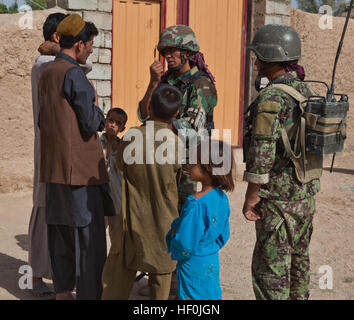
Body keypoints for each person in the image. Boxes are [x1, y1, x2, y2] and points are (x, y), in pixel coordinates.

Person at [38, 14, 115, 300]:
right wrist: (98, 109)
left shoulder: (46, 72)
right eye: (91, 44)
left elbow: (41, 121)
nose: (92, 50)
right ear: (80, 45)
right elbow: (90, 122)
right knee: (89, 242)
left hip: (53, 168)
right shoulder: (75, 75)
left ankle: (62, 292)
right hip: (80, 172)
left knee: (60, 234)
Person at [243, 24, 321, 300]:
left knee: (270, 272)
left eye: (257, 57)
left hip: (277, 201)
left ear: (266, 57)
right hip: (305, 196)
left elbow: (262, 152)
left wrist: (252, 196)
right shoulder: (306, 92)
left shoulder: (272, 97)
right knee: (299, 265)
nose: (254, 62)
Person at [29, 12, 92, 298]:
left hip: (51, 146)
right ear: (60, 38)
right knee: (49, 213)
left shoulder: (48, 63)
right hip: (55, 150)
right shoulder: (48, 65)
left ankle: (52, 277)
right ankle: (40, 274)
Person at [102, 84, 183, 300]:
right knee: (161, 281)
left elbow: (120, 166)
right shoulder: (176, 143)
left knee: (119, 277)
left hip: (133, 222)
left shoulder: (132, 137)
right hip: (164, 225)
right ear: (176, 113)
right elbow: (178, 180)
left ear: (149, 106)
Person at [138, 24, 217, 211]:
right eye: (165, 51)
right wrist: (153, 83)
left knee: (179, 215)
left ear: (187, 52)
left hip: (185, 162)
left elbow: (192, 130)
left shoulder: (201, 84)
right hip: (160, 156)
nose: (167, 55)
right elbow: (143, 115)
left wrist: (155, 128)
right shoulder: (166, 80)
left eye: (172, 50)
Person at [166, 139, 234, 300]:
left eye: (194, 162)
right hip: (211, 258)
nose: (189, 165)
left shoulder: (195, 203)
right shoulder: (221, 198)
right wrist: (208, 247)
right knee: (209, 294)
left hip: (192, 263)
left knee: (191, 297)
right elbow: (224, 234)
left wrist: (174, 235)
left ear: (207, 166)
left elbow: (184, 243)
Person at [100, 108, 127, 246]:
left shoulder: (123, 148)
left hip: (117, 199)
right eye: (111, 120)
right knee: (96, 236)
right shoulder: (96, 143)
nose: (113, 125)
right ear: (105, 121)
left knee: (118, 239)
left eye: (118, 123)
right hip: (98, 198)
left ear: (122, 128)